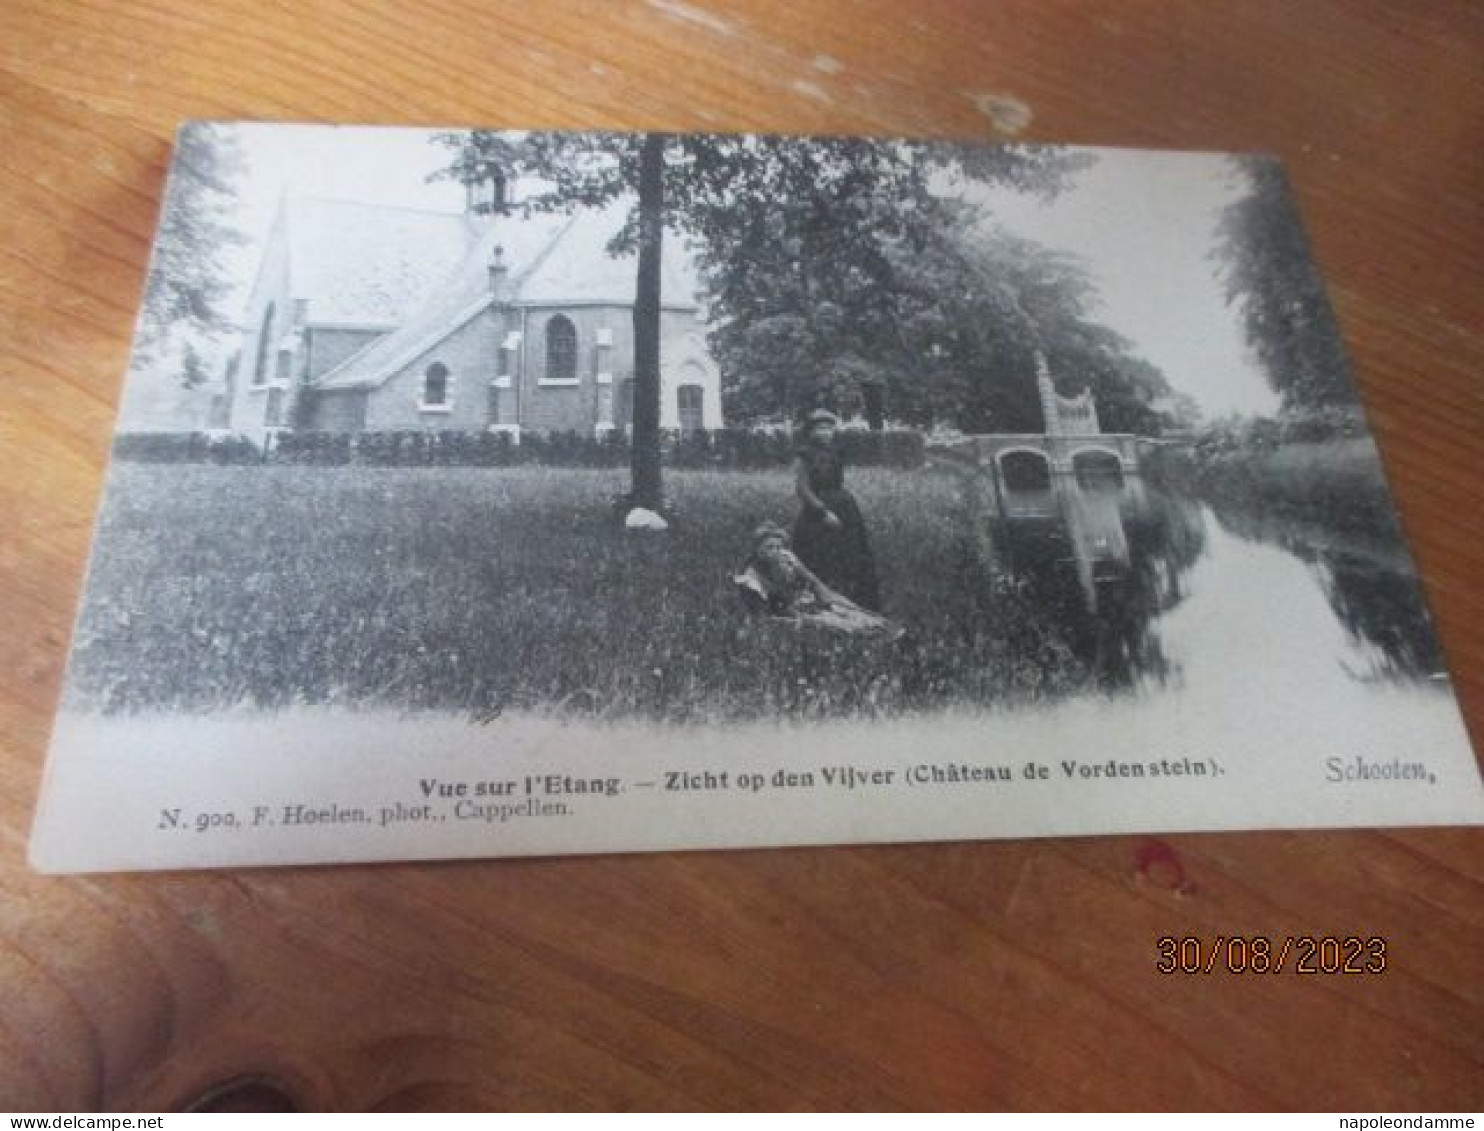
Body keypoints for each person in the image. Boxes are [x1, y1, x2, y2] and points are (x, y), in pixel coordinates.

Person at [791, 409, 882, 611]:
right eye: (820, 428)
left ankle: (852, 597)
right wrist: (822, 512)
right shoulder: (804, 455)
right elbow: (802, 489)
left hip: (843, 505)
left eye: (829, 428)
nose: (826, 433)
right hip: (817, 510)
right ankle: (820, 597)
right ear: (811, 431)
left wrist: (843, 506)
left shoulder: (836, 452)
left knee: (850, 552)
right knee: (818, 556)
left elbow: (837, 481)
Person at [733, 523, 892, 635]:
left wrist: (854, 608)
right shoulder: (750, 579)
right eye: (769, 547)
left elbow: (820, 589)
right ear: (757, 551)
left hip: (808, 605)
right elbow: (764, 618)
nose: (776, 552)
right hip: (787, 619)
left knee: (868, 620)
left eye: (779, 547)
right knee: (845, 628)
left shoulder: (788, 559)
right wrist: (804, 619)